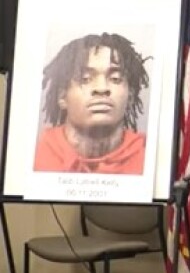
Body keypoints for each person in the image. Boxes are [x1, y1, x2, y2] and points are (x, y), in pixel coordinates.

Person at [33, 33, 150, 174]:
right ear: (62, 97)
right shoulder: (30, 162)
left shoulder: (150, 162)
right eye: (86, 78)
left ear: (130, 97)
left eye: (115, 78)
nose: (101, 88)